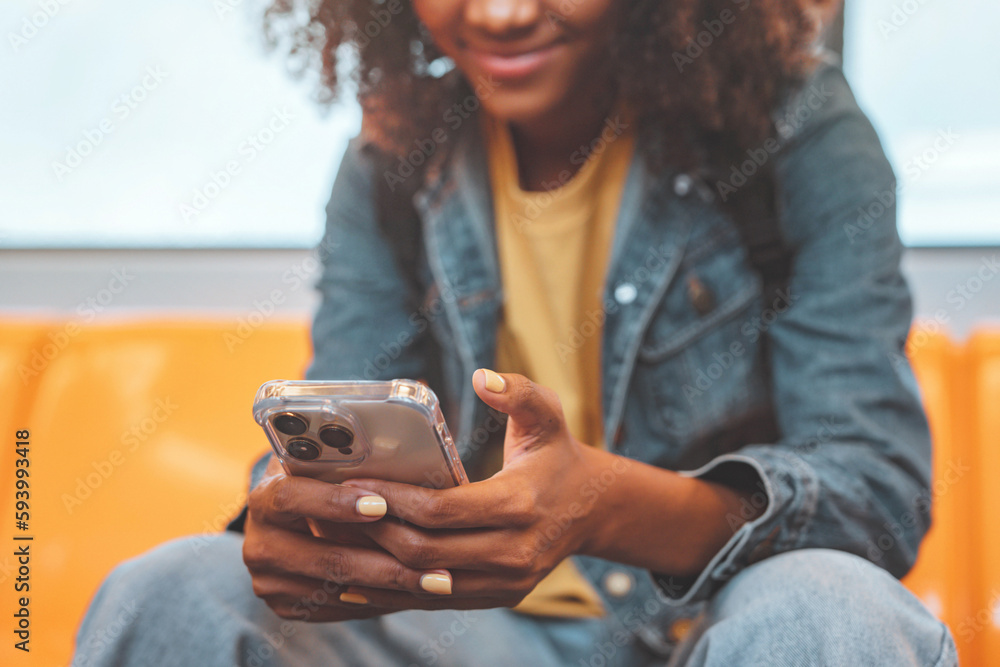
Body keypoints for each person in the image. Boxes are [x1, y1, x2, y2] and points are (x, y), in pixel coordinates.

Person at [74, 0, 958, 665]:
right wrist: (291, 520)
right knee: (175, 587)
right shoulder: (390, 161)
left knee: (831, 611)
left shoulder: (794, 131)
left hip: (711, 626)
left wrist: (600, 506)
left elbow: (874, 499)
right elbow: (343, 432)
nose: (499, 13)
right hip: (459, 630)